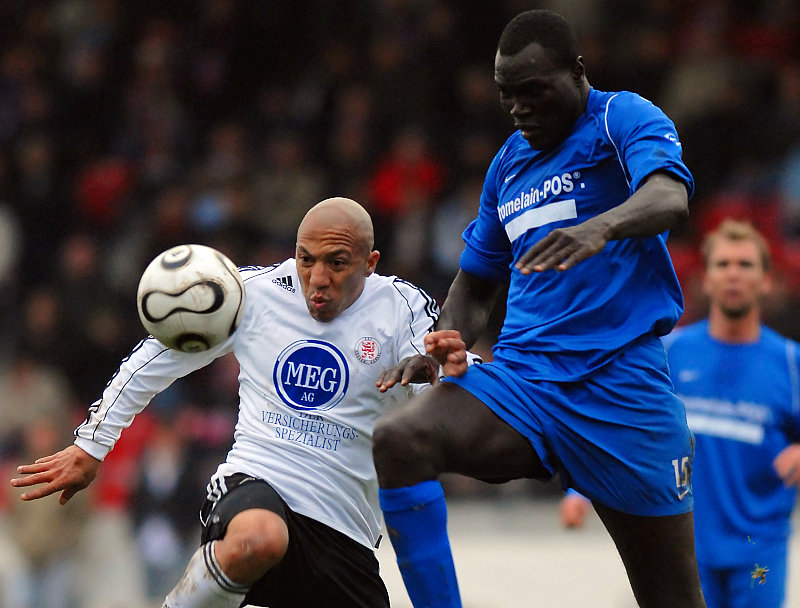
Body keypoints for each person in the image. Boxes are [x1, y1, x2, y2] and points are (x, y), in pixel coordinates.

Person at [371, 9, 705, 608]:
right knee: (400, 438)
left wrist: (601, 227)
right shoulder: (508, 163)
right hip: (525, 383)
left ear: (577, 72)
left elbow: (669, 195)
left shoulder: (620, 117)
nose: (519, 108)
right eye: (507, 95)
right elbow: (477, 281)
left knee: (673, 597)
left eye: (533, 91)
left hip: (621, 390)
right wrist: (440, 342)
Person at [10, 197, 455, 608]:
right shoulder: (253, 293)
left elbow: (445, 379)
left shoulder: (402, 308)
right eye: (306, 259)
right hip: (257, 482)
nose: (318, 278)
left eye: (337, 263)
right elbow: (155, 358)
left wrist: (443, 370)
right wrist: (92, 444)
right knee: (260, 539)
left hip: (345, 528)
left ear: (370, 263)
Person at [664, 219, 800, 607]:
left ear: (766, 280)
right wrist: (579, 492)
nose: (734, 274)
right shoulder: (670, 354)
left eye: (745, 264)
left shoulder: (790, 363)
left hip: (759, 552)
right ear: (705, 280)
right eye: (723, 264)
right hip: (684, 549)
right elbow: (628, 428)